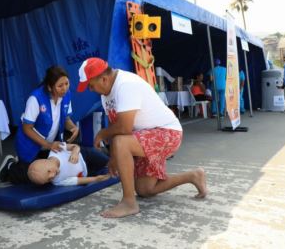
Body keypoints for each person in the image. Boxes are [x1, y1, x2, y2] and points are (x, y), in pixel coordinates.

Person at [77, 57, 207, 218]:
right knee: (145, 190)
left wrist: (101, 133)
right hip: (144, 138)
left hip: (168, 133)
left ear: (103, 79)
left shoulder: (126, 85)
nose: (91, 90)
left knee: (121, 141)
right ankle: (193, 175)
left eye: (91, 85)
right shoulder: (106, 94)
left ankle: (129, 202)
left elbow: (124, 128)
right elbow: (116, 126)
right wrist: (114, 157)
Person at [0, 66, 80, 184]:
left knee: (52, 174)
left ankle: (27, 162)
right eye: (60, 86)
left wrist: (73, 127)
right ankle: (11, 166)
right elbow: (27, 128)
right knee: (33, 177)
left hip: (50, 145)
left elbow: (65, 118)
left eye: (66, 84)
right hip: (31, 144)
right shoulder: (35, 98)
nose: (65, 89)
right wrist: (48, 144)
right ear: (50, 87)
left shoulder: (66, 95)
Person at [27, 142, 110, 186]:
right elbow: (78, 181)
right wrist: (96, 179)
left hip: (85, 155)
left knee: (108, 161)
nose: (52, 176)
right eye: (49, 180)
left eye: (49, 172)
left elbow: (76, 146)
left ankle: (109, 155)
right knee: (105, 172)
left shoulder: (55, 150)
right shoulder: (57, 181)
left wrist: (74, 153)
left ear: (45, 161)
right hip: (87, 171)